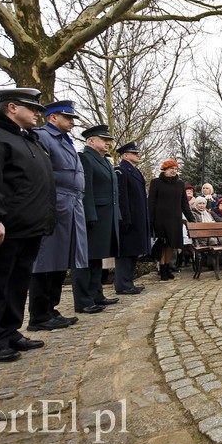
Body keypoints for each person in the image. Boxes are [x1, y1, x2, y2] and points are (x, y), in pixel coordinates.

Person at [0, 88, 56, 363]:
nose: (37, 114)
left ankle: (9, 331)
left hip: (30, 224)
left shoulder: (28, 139)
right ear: (11, 107)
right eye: (31, 108)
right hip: (6, 226)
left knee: (18, 282)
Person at [28, 100, 86, 331]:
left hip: (71, 204)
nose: (72, 122)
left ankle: (51, 308)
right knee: (46, 259)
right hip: (55, 202)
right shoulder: (42, 136)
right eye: (67, 117)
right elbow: (42, 172)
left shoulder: (65, 140)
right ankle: (39, 315)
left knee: (61, 259)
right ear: (52, 117)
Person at [71, 124, 121, 312]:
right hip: (94, 216)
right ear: (91, 141)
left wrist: (118, 214)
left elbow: (114, 192)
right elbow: (87, 189)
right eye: (104, 139)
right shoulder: (85, 158)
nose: (108, 143)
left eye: (109, 140)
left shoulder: (103, 160)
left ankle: (96, 294)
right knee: (85, 259)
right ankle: (83, 301)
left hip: (106, 215)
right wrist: (89, 214)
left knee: (96, 258)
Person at [114, 142, 150, 295]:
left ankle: (128, 282)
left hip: (138, 217)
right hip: (129, 218)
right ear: (125, 155)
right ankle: (123, 285)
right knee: (126, 252)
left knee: (133, 251)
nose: (138, 155)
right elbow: (122, 197)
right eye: (134, 153)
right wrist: (125, 219)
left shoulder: (134, 170)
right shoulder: (121, 170)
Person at [149, 160, 195, 280]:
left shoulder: (180, 184)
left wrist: (191, 219)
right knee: (163, 245)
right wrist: (150, 219)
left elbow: (184, 203)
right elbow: (151, 202)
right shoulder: (156, 182)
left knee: (171, 245)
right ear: (164, 169)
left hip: (175, 219)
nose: (174, 171)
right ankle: (162, 268)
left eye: (176, 169)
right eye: (171, 169)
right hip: (160, 219)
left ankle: (168, 266)